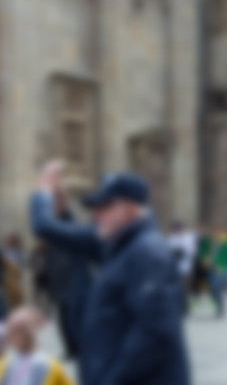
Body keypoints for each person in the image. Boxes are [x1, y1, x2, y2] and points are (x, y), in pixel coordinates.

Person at [30, 160, 190, 385]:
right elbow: (65, 235)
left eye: (105, 207)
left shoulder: (146, 253)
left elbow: (155, 333)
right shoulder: (120, 246)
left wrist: (43, 193)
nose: (96, 215)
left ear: (130, 208)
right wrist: (62, 210)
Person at [32, 184, 93, 360]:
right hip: (59, 284)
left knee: (76, 318)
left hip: (74, 282)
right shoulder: (52, 241)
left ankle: (79, 348)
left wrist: (62, 205)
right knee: (64, 320)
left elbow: (66, 223)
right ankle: (71, 348)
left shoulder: (71, 231)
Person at [0, 306, 74, 385]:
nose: (18, 334)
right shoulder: (5, 365)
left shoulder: (52, 366)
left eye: (21, 328)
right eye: (13, 330)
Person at [167, 221, 197, 315]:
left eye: (178, 229)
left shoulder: (187, 238)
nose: (177, 231)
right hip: (173, 268)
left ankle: (185, 308)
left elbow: (191, 252)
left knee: (184, 289)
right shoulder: (171, 238)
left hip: (184, 269)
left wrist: (181, 251)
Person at [208, 228, 227, 318]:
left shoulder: (226, 244)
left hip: (222, 269)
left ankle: (221, 308)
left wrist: (218, 264)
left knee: (218, 289)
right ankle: (219, 307)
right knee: (214, 290)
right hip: (214, 268)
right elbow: (212, 254)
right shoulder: (215, 243)